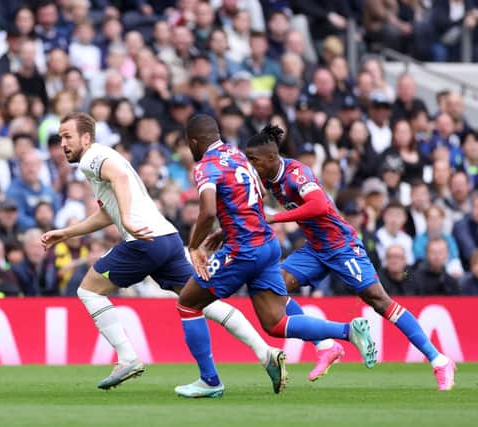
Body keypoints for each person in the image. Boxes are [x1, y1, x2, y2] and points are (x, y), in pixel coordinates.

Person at [42, 112, 285, 392]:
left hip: (143, 241)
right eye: (60, 137)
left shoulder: (91, 157)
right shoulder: (104, 156)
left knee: (89, 291)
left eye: (67, 136)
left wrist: (130, 222)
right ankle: (265, 353)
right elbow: (109, 212)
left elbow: (119, 178)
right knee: (199, 300)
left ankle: (127, 359)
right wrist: (68, 233)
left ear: (86, 137)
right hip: (166, 238)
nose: (62, 143)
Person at [174, 115, 375, 399]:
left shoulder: (205, 166)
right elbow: (246, 200)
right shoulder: (237, 155)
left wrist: (195, 247)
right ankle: (347, 331)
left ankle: (210, 381)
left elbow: (206, 211)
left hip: (243, 249)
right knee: (275, 323)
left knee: (187, 304)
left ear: (193, 142)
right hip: (267, 244)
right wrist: (225, 230)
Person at [244, 124, 456, 391]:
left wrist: (275, 217)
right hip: (316, 248)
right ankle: (326, 347)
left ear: (272, 158)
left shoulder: (297, 174)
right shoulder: (266, 177)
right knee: (277, 286)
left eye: (254, 160)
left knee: (380, 301)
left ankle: (439, 360)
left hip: (341, 245)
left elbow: (320, 204)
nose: (251, 165)